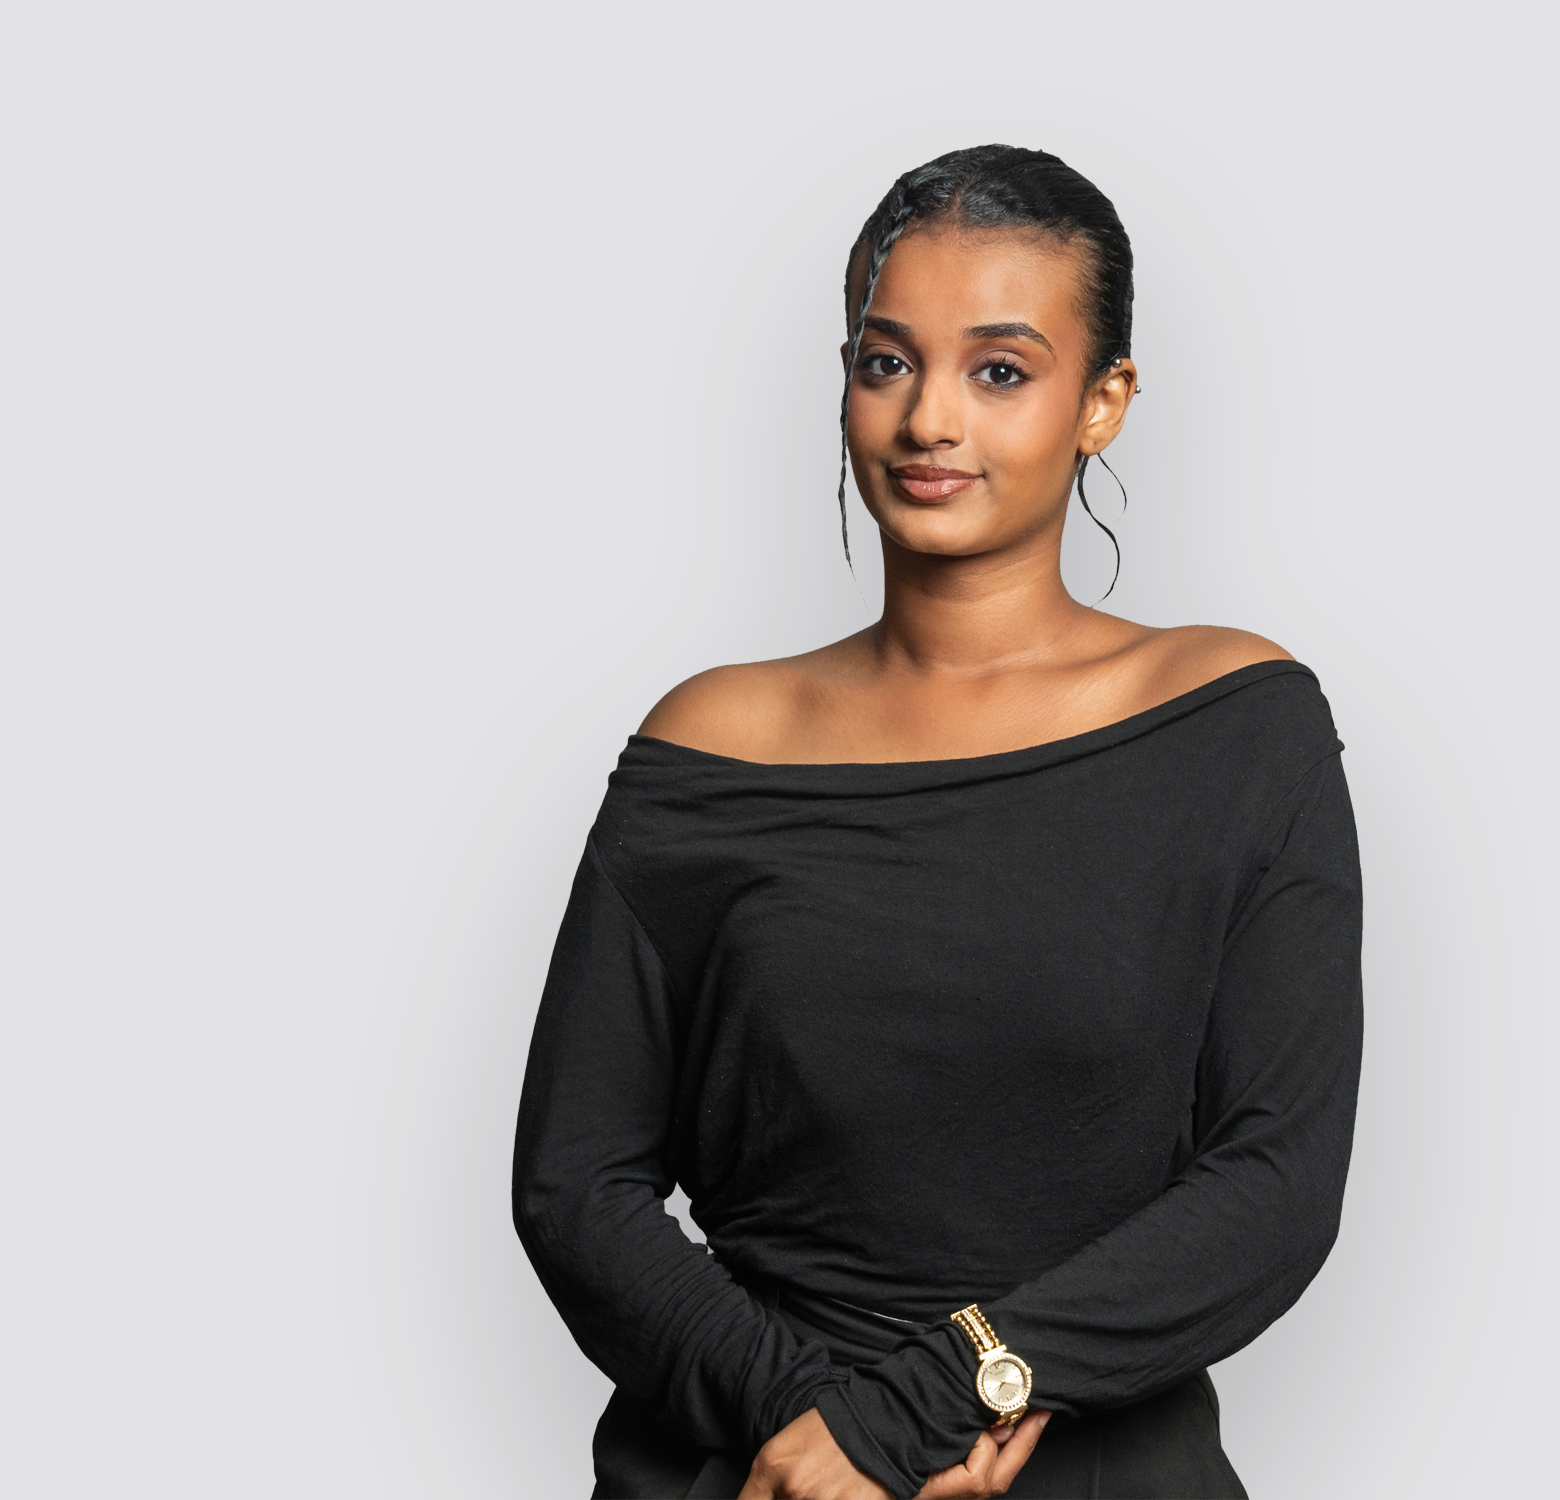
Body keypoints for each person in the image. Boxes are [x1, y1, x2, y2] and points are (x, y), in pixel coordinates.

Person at [513, 144, 1363, 1500]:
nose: (930, 421)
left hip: (1089, 1468)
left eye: (1001, 371)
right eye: (888, 362)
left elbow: (1275, 1183)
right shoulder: (711, 741)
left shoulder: (1234, 725)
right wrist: (809, 1428)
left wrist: (920, 1411)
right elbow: (574, 1183)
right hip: (755, 1467)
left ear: (1103, 402)